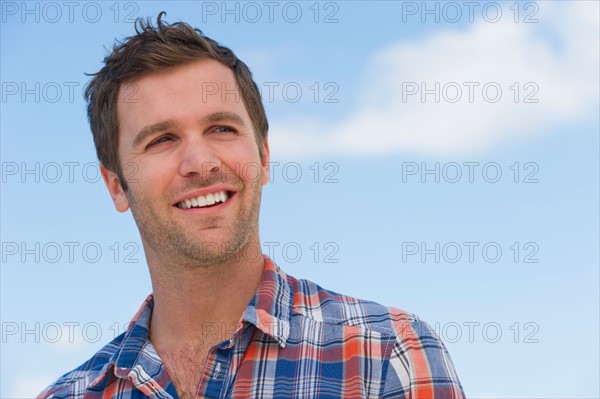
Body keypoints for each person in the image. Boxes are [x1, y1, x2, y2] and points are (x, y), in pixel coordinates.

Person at [38, 13, 464, 399]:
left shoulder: (388, 353)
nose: (201, 163)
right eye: (161, 139)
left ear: (263, 157)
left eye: (221, 128)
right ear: (116, 186)